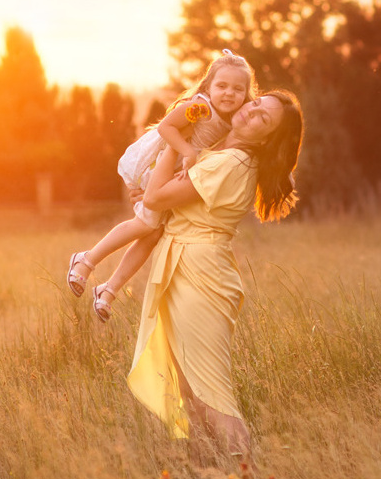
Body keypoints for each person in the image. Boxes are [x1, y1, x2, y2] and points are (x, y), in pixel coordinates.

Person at [126, 90, 303, 465]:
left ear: (266, 138)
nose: (250, 111)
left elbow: (156, 199)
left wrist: (176, 139)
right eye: (256, 103)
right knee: (189, 391)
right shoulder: (221, 154)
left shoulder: (233, 162)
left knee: (210, 394)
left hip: (200, 274)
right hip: (186, 263)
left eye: (263, 119)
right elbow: (165, 197)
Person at [66, 51, 254, 321]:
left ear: (247, 93)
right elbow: (166, 127)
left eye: (238, 89)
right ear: (208, 85)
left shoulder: (234, 122)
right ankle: (86, 260)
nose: (228, 93)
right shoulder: (199, 107)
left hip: (178, 182)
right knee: (144, 225)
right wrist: (188, 151)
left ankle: (108, 290)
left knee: (152, 234)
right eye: (221, 86)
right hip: (164, 168)